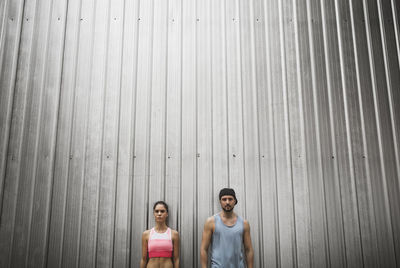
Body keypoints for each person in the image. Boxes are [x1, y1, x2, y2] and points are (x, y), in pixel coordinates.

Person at [200, 188, 254, 268]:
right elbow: (204, 249)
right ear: (220, 202)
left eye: (230, 199)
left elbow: (248, 250)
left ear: (235, 201)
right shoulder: (211, 222)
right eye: (224, 199)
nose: (227, 202)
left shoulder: (244, 223)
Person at [141, 201, 180, 268]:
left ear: (167, 214)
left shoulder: (174, 234)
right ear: (154, 214)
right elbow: (144, 259)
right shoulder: (146, 234)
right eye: (157, 211)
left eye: (162, 211)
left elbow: (176, 259)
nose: (159, 214)